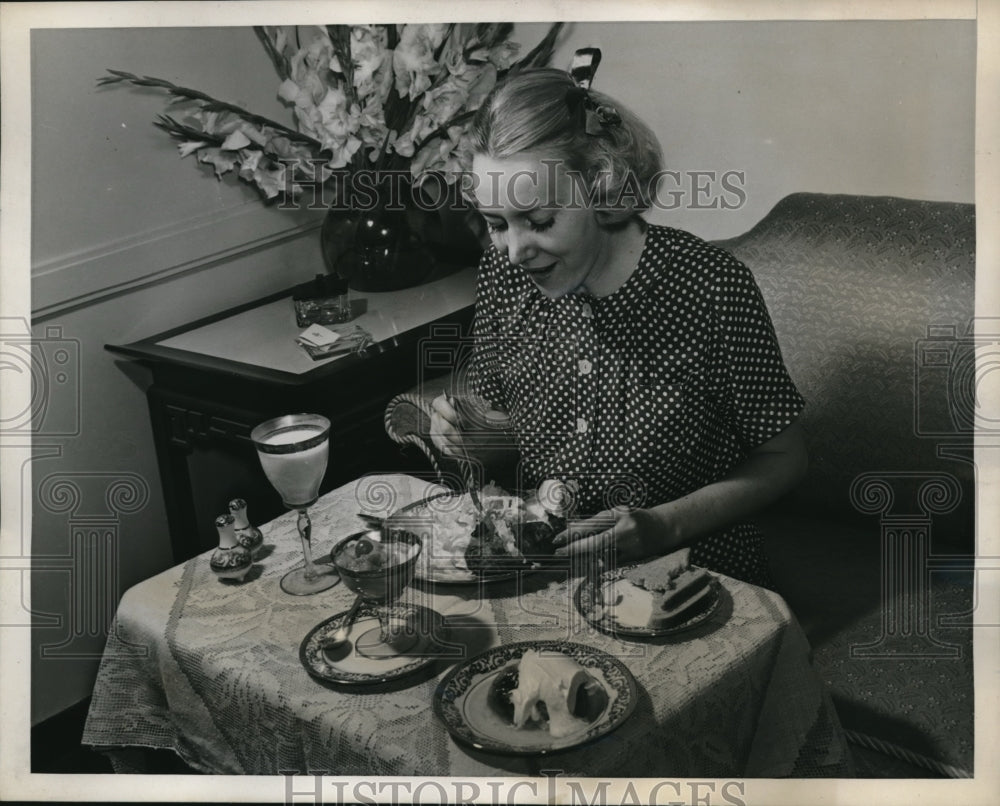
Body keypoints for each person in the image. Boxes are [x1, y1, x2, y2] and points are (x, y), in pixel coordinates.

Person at [428, 66, 807, 587]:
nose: (515, 250)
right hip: (548, 567)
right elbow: (504, 433)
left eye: (538, 221)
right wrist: (469, 435)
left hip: (689, 575)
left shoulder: (711, 288)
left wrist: (665, 524)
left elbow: (785, 458)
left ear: (602, 188)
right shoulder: (503, 275)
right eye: (497, 225)